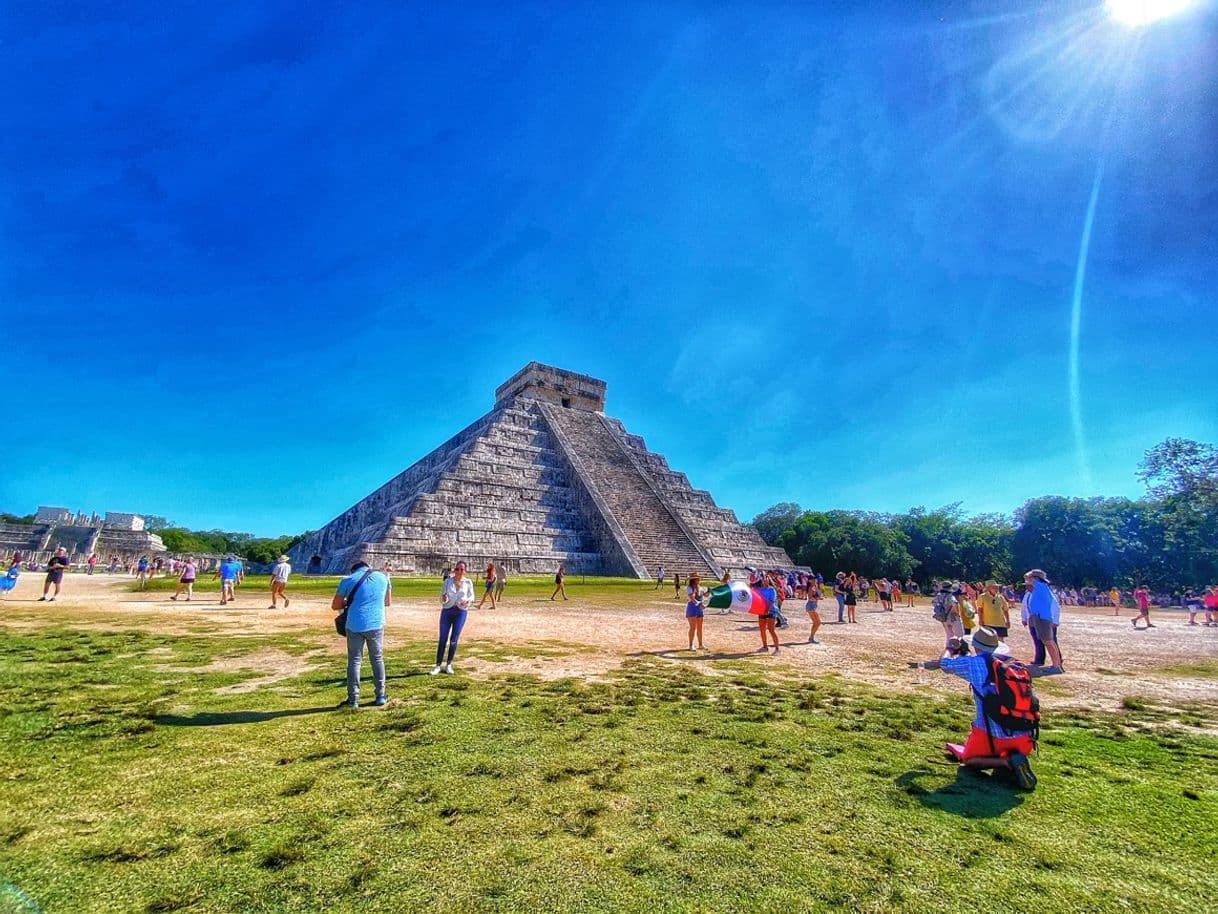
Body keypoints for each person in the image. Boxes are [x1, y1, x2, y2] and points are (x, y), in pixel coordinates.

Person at [939, 627, 1038, 790]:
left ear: (975, 645)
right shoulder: (1011, 665)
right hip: (1024, 737)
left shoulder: (975, 663)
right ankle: (1014, 758)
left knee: (969, 760)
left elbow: (945, 663)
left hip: (991, 738)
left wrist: (950, 648)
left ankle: (1006, 762)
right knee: (1003, 748)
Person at [332, 560, 391, 707]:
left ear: (353, 570)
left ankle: (353, 699)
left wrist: (349, 602)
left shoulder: (347, 580)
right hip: (376, 624)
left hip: (354, 625)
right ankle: (381, 696)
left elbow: (335, 605)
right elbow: (387, 602)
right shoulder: (383, 577)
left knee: (354, 661)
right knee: (377, 659)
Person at [434, 560, 473, 675]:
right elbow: (441, 598)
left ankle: (449, 664)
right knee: (442, 638)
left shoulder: (468, 582)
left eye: (462, 569)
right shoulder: (447, 582)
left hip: (460, 612)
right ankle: (438, 665)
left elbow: (472, 597)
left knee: (454, 639)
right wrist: (444, 598)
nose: (459, 571)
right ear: (454, 570)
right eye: (457, 569)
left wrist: (467, 601)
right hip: (447, 611)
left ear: (465, 571)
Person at [1024, 569, 1063, 671]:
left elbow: (1026, 576)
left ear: (1035, 578)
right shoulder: (1042, 587)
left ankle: (1056, 666)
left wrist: (1032, 575)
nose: (1028, 580)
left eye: (1031, 578)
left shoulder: (1039, 585)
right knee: (1050, 641)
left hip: (1042, 618)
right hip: (1040, 617)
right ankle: (1057, 664)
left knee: (1048, 642)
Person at [755, 576, 781, 655]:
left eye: (766, 580)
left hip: (771, 611)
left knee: (771, 630)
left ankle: (777, 649)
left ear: (768, 581)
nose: (764, 581)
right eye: (763, 580)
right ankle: (765, 646)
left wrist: (766, 610)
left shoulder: (771, 590)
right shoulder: (759, 589)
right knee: (762, 630)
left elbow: (771, 601)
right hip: (762, 611)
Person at [685, 573, 705, 651]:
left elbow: (703, 595)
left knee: (700, 627)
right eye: (697, 578)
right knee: (693, 627)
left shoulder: (700, 588)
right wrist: (699, 603)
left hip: (699, 608)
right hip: (692, 607)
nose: (699, 580)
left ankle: (700, 644)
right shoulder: (690, 588)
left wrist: (709, 592)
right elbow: (692, 598)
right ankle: (691, 645)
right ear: (693, 580)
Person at [805, 576, 822, 644]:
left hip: (813, 606)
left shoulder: (814, 587)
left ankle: (811, 637)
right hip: (811, 606)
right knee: (818, 622)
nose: (815, 581)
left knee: (816, 623)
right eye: (813, 580)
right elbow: (810, 597)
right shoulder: (810, 588)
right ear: (810, 581)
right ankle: (811, 637)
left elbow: (818, 594)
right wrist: (817, 598)